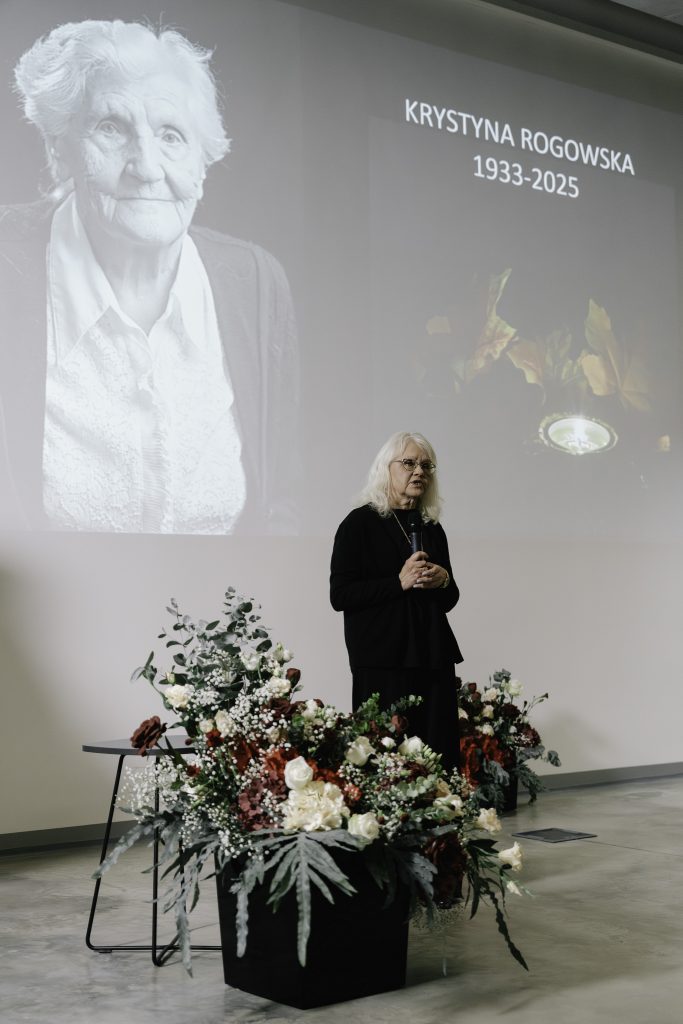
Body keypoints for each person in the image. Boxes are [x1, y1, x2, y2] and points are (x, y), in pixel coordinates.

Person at [0, 19, 298, 534]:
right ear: (59, 148)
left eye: (171, 136)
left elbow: (284, 504)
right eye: (111, 128)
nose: (147, 167)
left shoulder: (256, 283)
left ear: (203, 162)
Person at [330, 431, 463, 771]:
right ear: (385, 468)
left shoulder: (431, 528)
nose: (419, 472)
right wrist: (397, 582)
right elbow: (340, 595)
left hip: (432, 656)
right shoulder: (358, 524)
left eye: (426, 466)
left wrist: (443, 580)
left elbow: (450, 599)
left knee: (437, 753)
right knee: (385, 756)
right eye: (409, 463)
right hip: (382, 660)